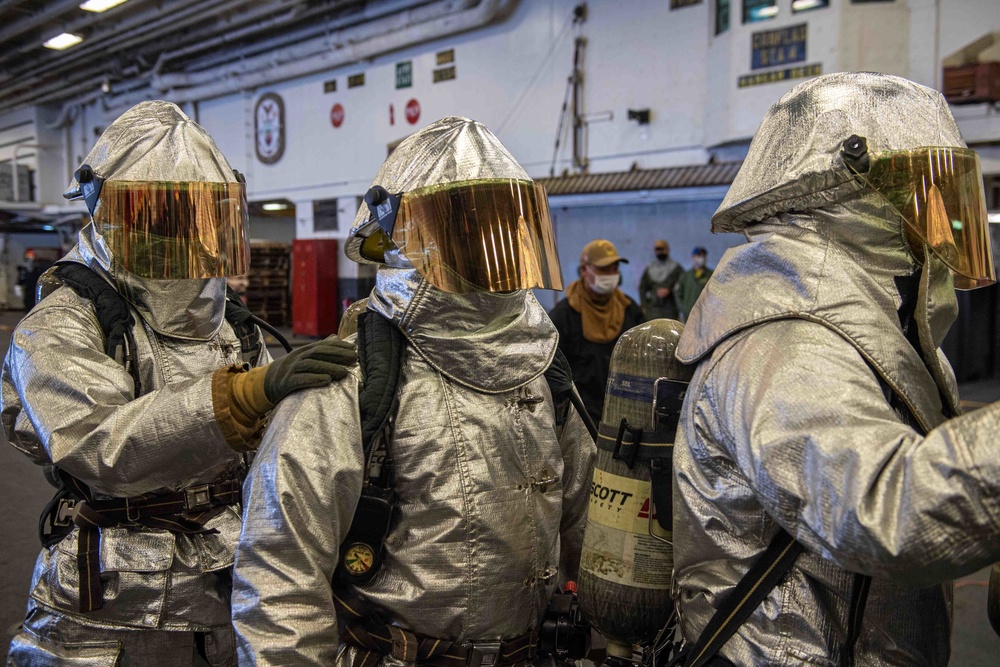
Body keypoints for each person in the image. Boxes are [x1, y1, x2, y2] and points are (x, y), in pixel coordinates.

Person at [1, 101, 355, 666]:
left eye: (198, 215)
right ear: (108, 214)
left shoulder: (231, 322)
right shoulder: (64, 321)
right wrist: (239, 396)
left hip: (226, 593)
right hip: (111, 609)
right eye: (157, 215)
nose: (180, 233)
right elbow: (100, 446)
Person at [232, 117, 595, 666]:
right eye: (462, 232)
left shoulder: (544, 373)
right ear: (402, 242)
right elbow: (279, 577)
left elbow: (587, 523)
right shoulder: (349, 384)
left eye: (499, 229)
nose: (485, 250)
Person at [670, 72, 1000, 666]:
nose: (940, 213)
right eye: (921, 188)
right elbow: (880, 509)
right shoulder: (788, 337)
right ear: (846, 188)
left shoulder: (878, 325)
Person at [549, 239, 644, 424]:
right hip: (581, 416)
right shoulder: (564, 316)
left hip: (626, 414)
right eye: (603, 269)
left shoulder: (630, 310)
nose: (610, 275)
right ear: (584, 270)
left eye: (614, 269)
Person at [638, 239, 683, 320]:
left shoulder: (676, 269)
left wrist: (670, 290)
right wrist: (644, 305)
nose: (660, 252)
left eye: (662, 249)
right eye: (657, 250)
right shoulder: (649, 269)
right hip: (653, 311)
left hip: (671, 310)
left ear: (667, 249)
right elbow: (642, 288)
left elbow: (683, 288)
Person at [674, 246, 713, 321]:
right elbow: (677, 294)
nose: (701, 258)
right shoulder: (685, 276)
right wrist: (683, 307)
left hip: (706, 315)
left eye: (703, 256)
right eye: (698, 255)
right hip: (688, 315)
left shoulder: (711, 275)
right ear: (693, 257)